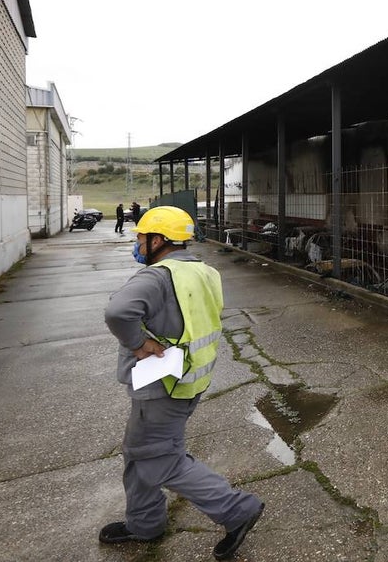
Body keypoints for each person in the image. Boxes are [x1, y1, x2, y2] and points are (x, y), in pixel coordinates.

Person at [101, 206, 264, 559]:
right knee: (141, 452)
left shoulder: (157, 277)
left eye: (142, 238)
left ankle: (237, 509)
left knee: (160, 459)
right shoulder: (204, 271)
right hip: (189, 380)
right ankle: (145, 523)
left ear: (158, 240)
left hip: (162, 386)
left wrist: (140, 343)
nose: (138, 245)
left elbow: (118, 312)